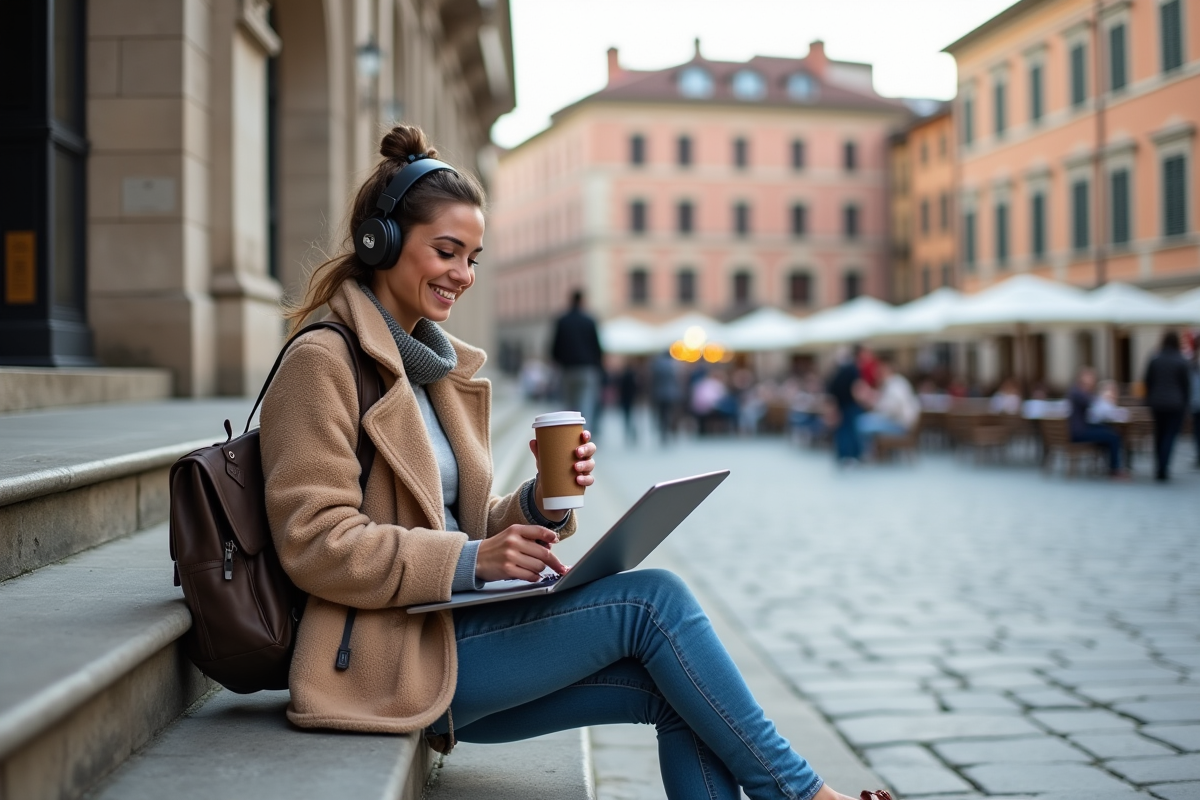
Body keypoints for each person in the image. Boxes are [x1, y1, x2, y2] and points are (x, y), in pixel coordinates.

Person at [259, 125, 884, 800]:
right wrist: (474, 561)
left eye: (473, 257)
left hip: (453, 628)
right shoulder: (322, 361)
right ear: (381, 240)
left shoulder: (433, 372)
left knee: (685, 689)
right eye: (447, 252)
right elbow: (316, 544)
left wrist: (538, 506)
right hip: (385, 657)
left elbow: (457, 522)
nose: (463, 276)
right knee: (657, 602)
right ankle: (805, 795)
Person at [551, 290, 604, 438]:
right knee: (586, 405)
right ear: (582, 301)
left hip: (568, 369)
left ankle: (568, 436)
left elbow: (555, 346)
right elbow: (597, 347)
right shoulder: (590, 320)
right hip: (587, 369)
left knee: (568, 405)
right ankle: (584, 437)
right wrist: (598, 366)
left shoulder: (562, 320)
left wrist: (558, 362)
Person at [1143, 331, 1191, 481]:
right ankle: (1163, 468)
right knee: (1170, 435)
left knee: (1159, 434)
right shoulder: (1181, 360)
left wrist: (1150, 398)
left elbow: (1147, 381)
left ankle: (1159, 467)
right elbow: (1186, 386)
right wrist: (1186, 404)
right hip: (1175, 404)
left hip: (1157, 403)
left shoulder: (1155, 358)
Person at [855, 358, 921, 456]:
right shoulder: (895, 383)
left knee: (861, 423)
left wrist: (871, 400)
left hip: (900, 425)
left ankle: (866, 453)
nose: (876, 374)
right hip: (900, 423)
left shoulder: (895, 384)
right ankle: (870, 452)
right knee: (864, 421)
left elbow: (891, 409)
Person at [1068, 366, 1124, 477]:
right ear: (1082, 377)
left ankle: (1111, 466)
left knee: (1110, 431)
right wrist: (1104, 397)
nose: (1092, 380)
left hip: (1080, 429)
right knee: (1112, 436)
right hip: (1079, 432)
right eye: (1090, 377)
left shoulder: (1079, 391)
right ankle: (1115, 469)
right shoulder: (1078, 392)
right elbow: (1094, 405)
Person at [826, 346, 863, 464]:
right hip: (849, 405)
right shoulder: (851, 369)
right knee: (850, 431)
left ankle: (844, 455)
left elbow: (831, 390)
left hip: (840, 405)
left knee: (843, 431)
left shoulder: (837, 371)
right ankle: (852, 455)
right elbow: (856, 389)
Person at [649, 349, 682, 445]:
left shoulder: (656, 365)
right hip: (672, 394)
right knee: (670, 414)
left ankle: (663, 433)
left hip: (658, 393)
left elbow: (652, 380)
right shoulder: (673, 365)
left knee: (661, 414)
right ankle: (670, 432)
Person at [616, 359, 640, 445]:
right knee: (632, 417)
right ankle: (633, 434)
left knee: (627, 417)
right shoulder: (633, 376)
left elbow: (620, 388)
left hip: (625, 399)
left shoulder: (624, 376)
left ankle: (628, 433)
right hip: (631, 399)